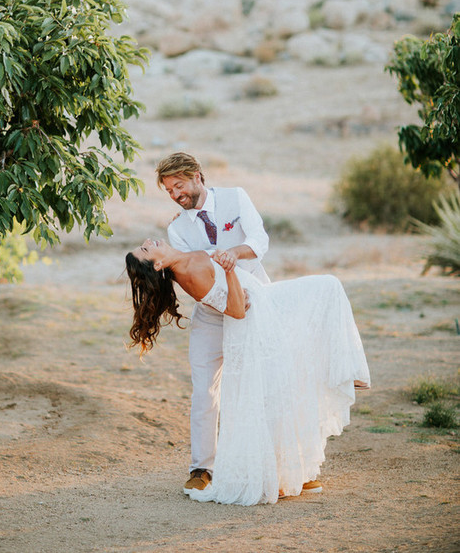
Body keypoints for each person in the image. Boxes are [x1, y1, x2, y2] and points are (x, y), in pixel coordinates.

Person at [125, 239, 371, 506]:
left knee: (326, 293)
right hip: (258, 315)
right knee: (328, 286)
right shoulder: (190, 275)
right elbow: (237, 310)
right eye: (146, 250)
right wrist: (230, 270)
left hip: (265, 297)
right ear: (157, 264)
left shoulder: (184, 257)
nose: (149, 242)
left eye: (144, 244)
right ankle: (346, 374)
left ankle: (342, 377)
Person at [154, 152, 270, 494]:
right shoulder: (177, 228)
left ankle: (276, 462)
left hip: (255, 300)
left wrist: (235, 254)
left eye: (178, 185)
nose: (175, 195)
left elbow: (260, 241)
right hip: (210, 308)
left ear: (197, 176)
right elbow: (192, 268)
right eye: (168, 190)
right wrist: (222, 282)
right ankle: (202, 467)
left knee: (262, 383)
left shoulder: (236, 197)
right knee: (204, 390)